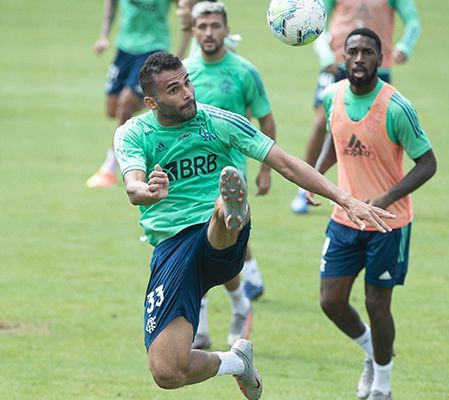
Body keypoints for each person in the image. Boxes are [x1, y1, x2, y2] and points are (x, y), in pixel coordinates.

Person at [113, 51, 394, 397]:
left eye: (187, 82)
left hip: (222, 239)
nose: (187, 92)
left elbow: (286, 163)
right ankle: (237, 363)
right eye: (174, 89)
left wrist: (346, 199)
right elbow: (132, 185)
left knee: (221, 209)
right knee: (168, 371)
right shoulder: (134, 132)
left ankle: (230, 208)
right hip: (172, 249)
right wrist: (148, 190)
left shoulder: (219, 121)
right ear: (151, 102)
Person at [307, 28, 436, 400]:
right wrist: (315, 178)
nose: (359, 59)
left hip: (388, 224)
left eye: (367, 52)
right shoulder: (333, 96)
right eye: (353, 52)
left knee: (377, 303)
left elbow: (427, 163)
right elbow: (336, 137)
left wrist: (385, 198)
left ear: (381, 59)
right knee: (330, 301)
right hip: (345, 219)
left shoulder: (397, 107)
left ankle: (382, 384)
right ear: (342, 58)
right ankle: (372, 350)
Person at [183, 1, 275, 350]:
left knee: (220, 248)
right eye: (202, 26)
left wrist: (266, 170)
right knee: (193, 245)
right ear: (194, 31)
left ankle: (238, 304)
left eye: (214, 26)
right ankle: (202, 324)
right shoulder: (184, 73)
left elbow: (266, 120)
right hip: (191, 172)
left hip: (230, 173)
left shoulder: (244, 72)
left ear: (226, 29)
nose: (209, 33)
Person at [290, 0, 422, 213]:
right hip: (336, 64)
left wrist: (405, 45)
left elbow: (413, 22)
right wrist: (325, 54)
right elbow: (315, 20)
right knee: (322, 123)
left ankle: (364, 190)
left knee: (375, 130)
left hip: (377, 66)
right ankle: (304, 187)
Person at [87, 0, 176, 188]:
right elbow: (111, 4)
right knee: (112, 109)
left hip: (153, 48)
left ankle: (110, 168)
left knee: (124, 107)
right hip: (125, 48)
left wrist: (181, 53)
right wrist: (104, 36)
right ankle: (158, 101)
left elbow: (187, 10)